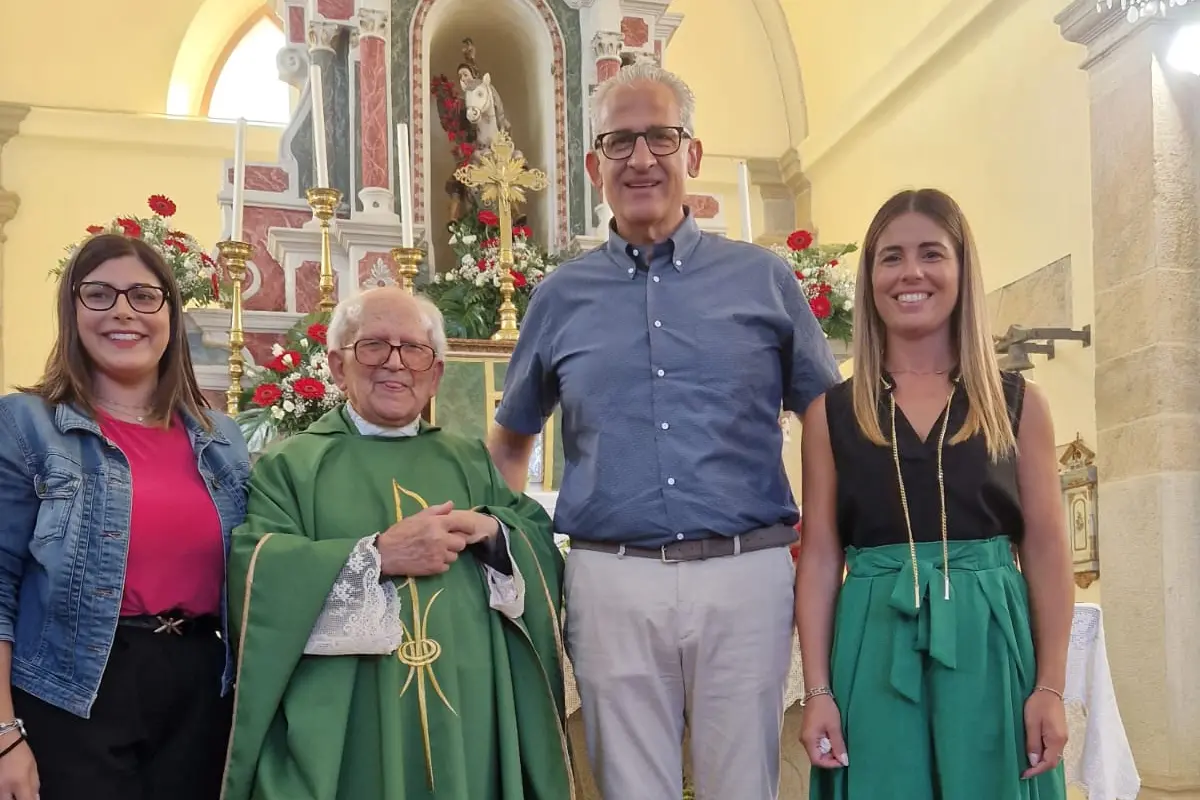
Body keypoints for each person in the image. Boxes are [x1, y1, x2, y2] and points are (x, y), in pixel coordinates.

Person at [487, 62, 840, 800]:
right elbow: (513, 437)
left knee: (743, 783)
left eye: (660, 137)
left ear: (693, 155)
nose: (641, 158)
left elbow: (824, 415)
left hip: (746, 572)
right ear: (595, 165)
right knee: (629, 787)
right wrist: (503, 557)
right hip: (611, 577)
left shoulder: (762, 280)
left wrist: (825, 535)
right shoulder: (560, 296)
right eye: (620, 141)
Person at [221, 287, 572, 800]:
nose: (395, 363)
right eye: (374, 346)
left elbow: (537, 541)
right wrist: (376, 556)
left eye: (413, 349)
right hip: (350, 715)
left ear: (435, 375)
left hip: (471, 707)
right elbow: (257, 573)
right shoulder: (292, 465)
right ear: (338, 367)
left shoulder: (470, 461)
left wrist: (496, 534)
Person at [795, 188, 1072, 799]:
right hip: (873, 634)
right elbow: (819, 557)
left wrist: (1050, 686)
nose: (911, 273)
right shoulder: (831, 414)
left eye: (931, 254)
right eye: (890, 257)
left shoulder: (1016, 405)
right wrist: (817, 692)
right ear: (869, 278)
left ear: (961, 269)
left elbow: (1049, 550)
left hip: (990, 634)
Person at [0, 233, 251, 800]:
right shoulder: (26, 426)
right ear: (72, 311)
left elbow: (262, 565)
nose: (122, 311)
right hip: (75, 685)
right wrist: (4, 735)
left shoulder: (223, 440)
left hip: (201, 685)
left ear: (169, 313)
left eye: (143, 295)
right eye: (99, 294)